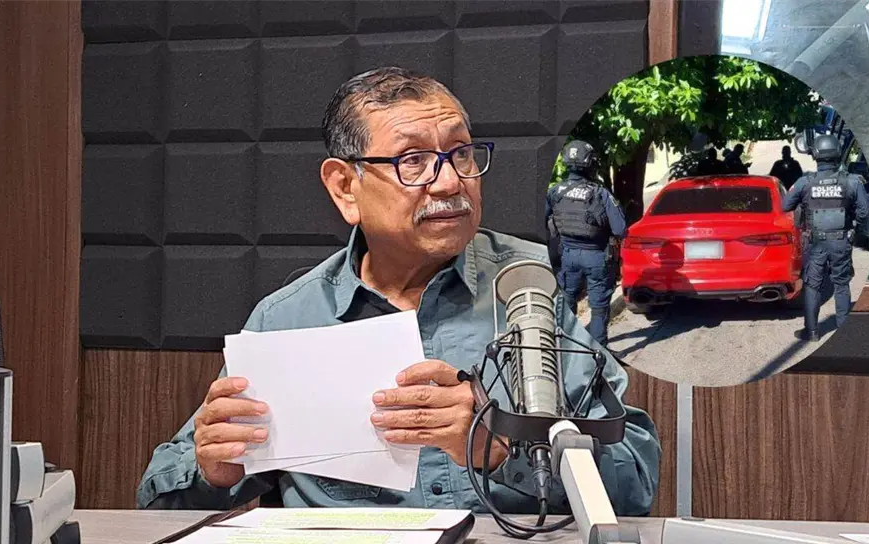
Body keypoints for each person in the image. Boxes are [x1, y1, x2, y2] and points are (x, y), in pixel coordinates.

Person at [136, 67, 661, 516]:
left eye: (461, 153)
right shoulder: (287, 320)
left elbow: (635, 480)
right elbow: (154, 503)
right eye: (413, 161)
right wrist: (212, 471)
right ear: (345, 186)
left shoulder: (539, 285)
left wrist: (502, 449)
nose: (451, 182)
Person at [782, 133, 869, 342]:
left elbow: (785, 205)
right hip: (841, 240)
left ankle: (812, 332)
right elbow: (865, 212)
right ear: (838, 154)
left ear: (816, 155)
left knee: (813, 285)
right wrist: (852, 222)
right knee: (841, 284)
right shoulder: (852, 182)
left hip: (815, 242)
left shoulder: (805, 182)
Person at [544, 140, 627, 347]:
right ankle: (598, 357)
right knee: (598, 310)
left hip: (567, 256)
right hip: (597, 257)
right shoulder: (599, 193)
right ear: (590, 164)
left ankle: (565, 351)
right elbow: (620, 229)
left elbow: (543, 222)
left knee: (567, 305)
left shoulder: (555, 191)